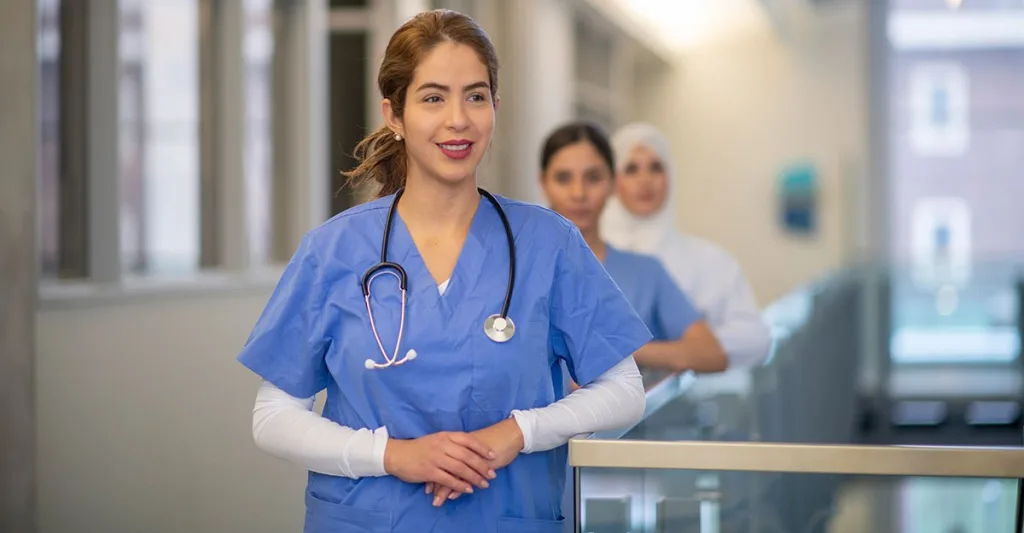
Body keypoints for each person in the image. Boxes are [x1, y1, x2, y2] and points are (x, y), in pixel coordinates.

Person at [237, 10, 651, 533]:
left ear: (495, 108)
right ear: (394, 114)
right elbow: (273, 417)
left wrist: (519, 432)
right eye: (433, 98)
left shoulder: (548, 244)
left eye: (475, 96)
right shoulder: (334, 250)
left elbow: (624, 389)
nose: (458, 119)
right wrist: (393, 456)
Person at [539, 121, 727, 382]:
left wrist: (620, 348)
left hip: (633, 424)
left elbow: (711, 354)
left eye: (593, 177)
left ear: (613, 184)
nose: (578, 193)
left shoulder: (645, 272)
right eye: (563, 178)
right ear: (543, 182)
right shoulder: (518, 271)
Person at [600, 122, 772, 370]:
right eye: (631, 169)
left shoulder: (708, 260)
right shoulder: (590, 255)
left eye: (656, 168)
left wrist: (674, 351)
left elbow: (755, 338)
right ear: (613, 181)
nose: (645, 180)